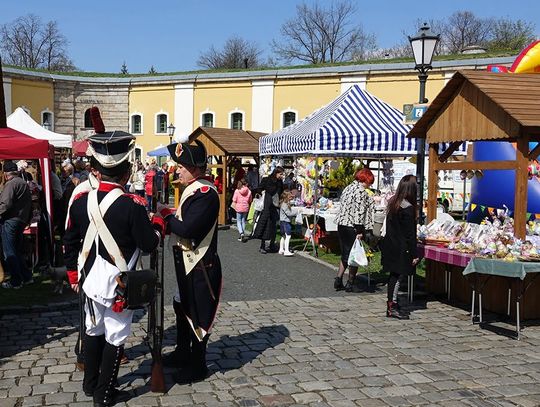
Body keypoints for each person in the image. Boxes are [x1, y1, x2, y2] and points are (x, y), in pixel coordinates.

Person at [64, 107, 161, 407]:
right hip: (120, 281)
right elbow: (148, 244)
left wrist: (71, 275)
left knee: (93, 330)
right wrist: (157, 224)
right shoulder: (132, 205)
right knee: (116, 335)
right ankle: (104, 396)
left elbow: (68, 239)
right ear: (126, 170)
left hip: (89, 277)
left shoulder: (80, 198)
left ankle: (90, 383)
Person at [157, 139, 221, 385]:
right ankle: (183, 352)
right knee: (182, 308)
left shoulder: (205, 193)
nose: (177, 170)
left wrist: (165, 214)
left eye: (182, 166)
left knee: (197, 315)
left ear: (194, 168)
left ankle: (198, 364)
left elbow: (189, 228)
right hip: (188, 261)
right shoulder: (194, 190)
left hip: (201, 265)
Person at [381, 174, 419, 320]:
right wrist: (414, 254)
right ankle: (392, 306)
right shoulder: (407, 208)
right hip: (401, 247)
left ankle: (393, 303)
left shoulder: (394, 202)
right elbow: (410, 234)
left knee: (394, 276)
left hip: (391, 244)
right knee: (397, 277)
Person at [333, 168, 375, 292]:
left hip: (342, 224)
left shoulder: (348, 188)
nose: (370, 184)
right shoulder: (361, 192)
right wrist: (360, 231)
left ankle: (338, 278)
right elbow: (359, 213)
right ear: (365, 179)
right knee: (354, 255)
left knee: (345, 253)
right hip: (353, 226)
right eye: (369, 182)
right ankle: (350, 282)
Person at [0, 160, 33, 289]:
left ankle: (16, 281)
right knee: (16, 251)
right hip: (21, 220)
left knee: (9, 252)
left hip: (11, 220)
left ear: (6, 173)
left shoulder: (11, 184)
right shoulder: (22, 183)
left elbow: (5, 204)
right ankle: (26, 277)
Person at [252, 166, 284, 254]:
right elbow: (260, 189)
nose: (282, 176)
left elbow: (281, 192)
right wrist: (262, 192)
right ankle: (262, 246)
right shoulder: (267, 179)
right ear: (276, 173)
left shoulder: (280, 181)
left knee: (273, 226)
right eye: (281, 174)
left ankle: (272, 245)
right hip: (267, 205)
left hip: (275, 206)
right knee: (266, 225)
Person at [278, 190, 295, 256]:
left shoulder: (284, 203)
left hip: (282, 221)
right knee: (288, 236)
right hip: (285, 222)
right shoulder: (284, 205)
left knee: (283, 236)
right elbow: (289, 213)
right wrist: (297, 212)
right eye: (290, 197)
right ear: (286, 197)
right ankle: (286, 250)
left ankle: (281, 249)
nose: (291, 198)